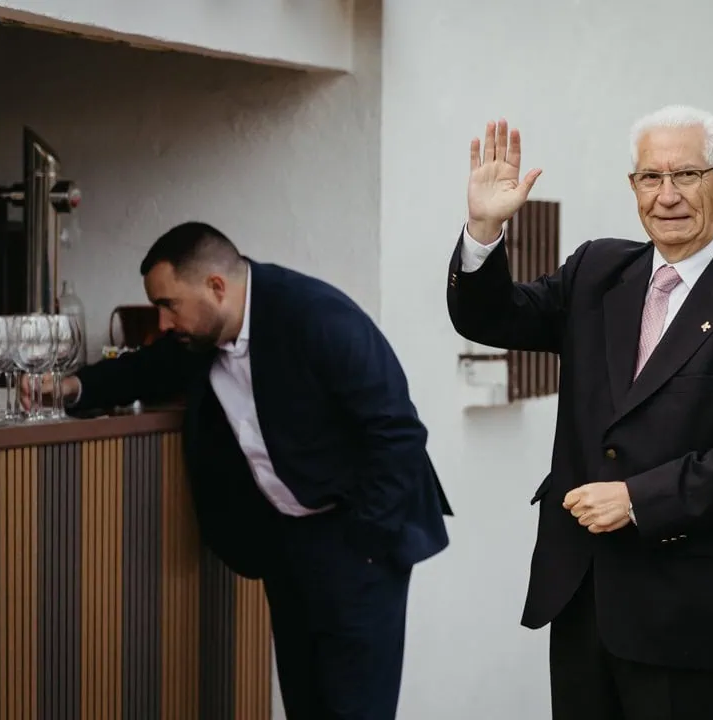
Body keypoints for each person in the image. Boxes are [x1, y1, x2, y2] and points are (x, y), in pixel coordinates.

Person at [446, 107, 713, 719]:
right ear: (633, 186)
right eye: (650, 177)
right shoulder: (597, 271)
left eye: (687, 175)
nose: (667, 196)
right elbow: (492, 317)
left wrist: (638, 499)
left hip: (687, 614)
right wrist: (485, 229)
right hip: (582, 592)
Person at [30, 222, 452, 720]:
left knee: (355, 711)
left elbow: (398, 433)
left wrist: (366, 546)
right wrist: (70, 388)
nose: (163, 321)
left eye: (169, 304)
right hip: (288, 545)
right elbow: (147, 369)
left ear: (216, 286)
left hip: (357, 540)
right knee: (306, 706)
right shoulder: (200, 336)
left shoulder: (318, 318)